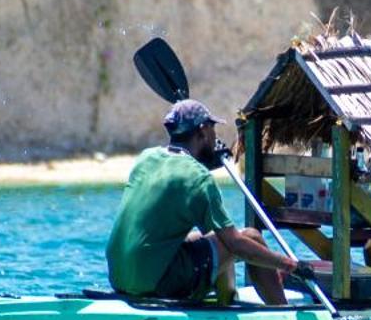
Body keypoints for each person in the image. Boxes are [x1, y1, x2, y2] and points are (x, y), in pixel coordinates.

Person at [105, 100, 302, 304]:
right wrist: (290, 265)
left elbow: (178, 174)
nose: (215, 136)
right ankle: (278, 310)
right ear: (203, 131)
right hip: (156, 284)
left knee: (216, 234)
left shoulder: (146, 158)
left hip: (118, 277)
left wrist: (205, 161)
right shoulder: (199, 179)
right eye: (213, 129)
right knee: (249, 237)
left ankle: (227, 300)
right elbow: (235, 244)